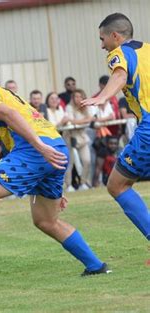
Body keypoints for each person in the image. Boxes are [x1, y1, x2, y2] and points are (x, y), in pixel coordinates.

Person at [0, 60, 109, 288]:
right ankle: (95, 265)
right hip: (53, 147)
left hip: (36, 150)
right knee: (46, 220)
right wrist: (46, 163)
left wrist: (38, 147)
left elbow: (8, 114)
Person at [81, 13, 150, 240]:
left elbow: (120, 75)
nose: (102, 46)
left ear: (115, 36)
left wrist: (102, 97)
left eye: (102, 39)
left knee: (117, 185)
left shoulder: (118, 53)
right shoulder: (148, 50)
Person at [63, 89, 94, 192]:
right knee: (70, 162)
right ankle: (68, 185)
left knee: (87, 160)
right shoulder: (69, 107)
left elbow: (90, 119)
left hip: (82, 136)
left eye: (80, 96)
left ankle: (83, 183)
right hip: (70, 136)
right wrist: (83, 121)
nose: (78, 99)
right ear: (73, 98)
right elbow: (70, 122)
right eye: (76, 96)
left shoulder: (86, 107)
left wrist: (79, 121)